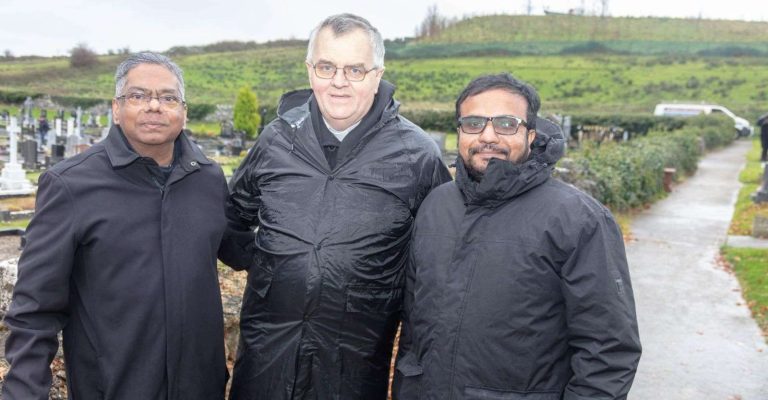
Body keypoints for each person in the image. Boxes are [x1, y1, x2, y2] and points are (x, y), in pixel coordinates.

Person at [219, 13, 451, 400]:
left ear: (377, 75)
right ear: (310, 70)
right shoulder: (276, 139)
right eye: (326, 67)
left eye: (355, 70)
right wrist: (268, 268)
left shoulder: (416, 154)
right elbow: (232, 217)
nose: (339, 82)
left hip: (353, 362)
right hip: (267, 355)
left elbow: (438, 254)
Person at [392, 73, 642, 400]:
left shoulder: (578, 220)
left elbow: (608, 350)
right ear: (460, 132)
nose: (488, 136)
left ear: (530, 134)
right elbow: (413, 329)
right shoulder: (435, 207)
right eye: (474, 123)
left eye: (506, 124)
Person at [3, 52, 229, 400]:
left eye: (168, 97)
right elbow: (35, 311)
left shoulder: (209, 181)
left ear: (183, 112)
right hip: (112, 388)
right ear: (116, 108)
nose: (154, 106)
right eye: (138, 95)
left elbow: (242, 248)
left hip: (201, 389)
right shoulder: (71, 186)